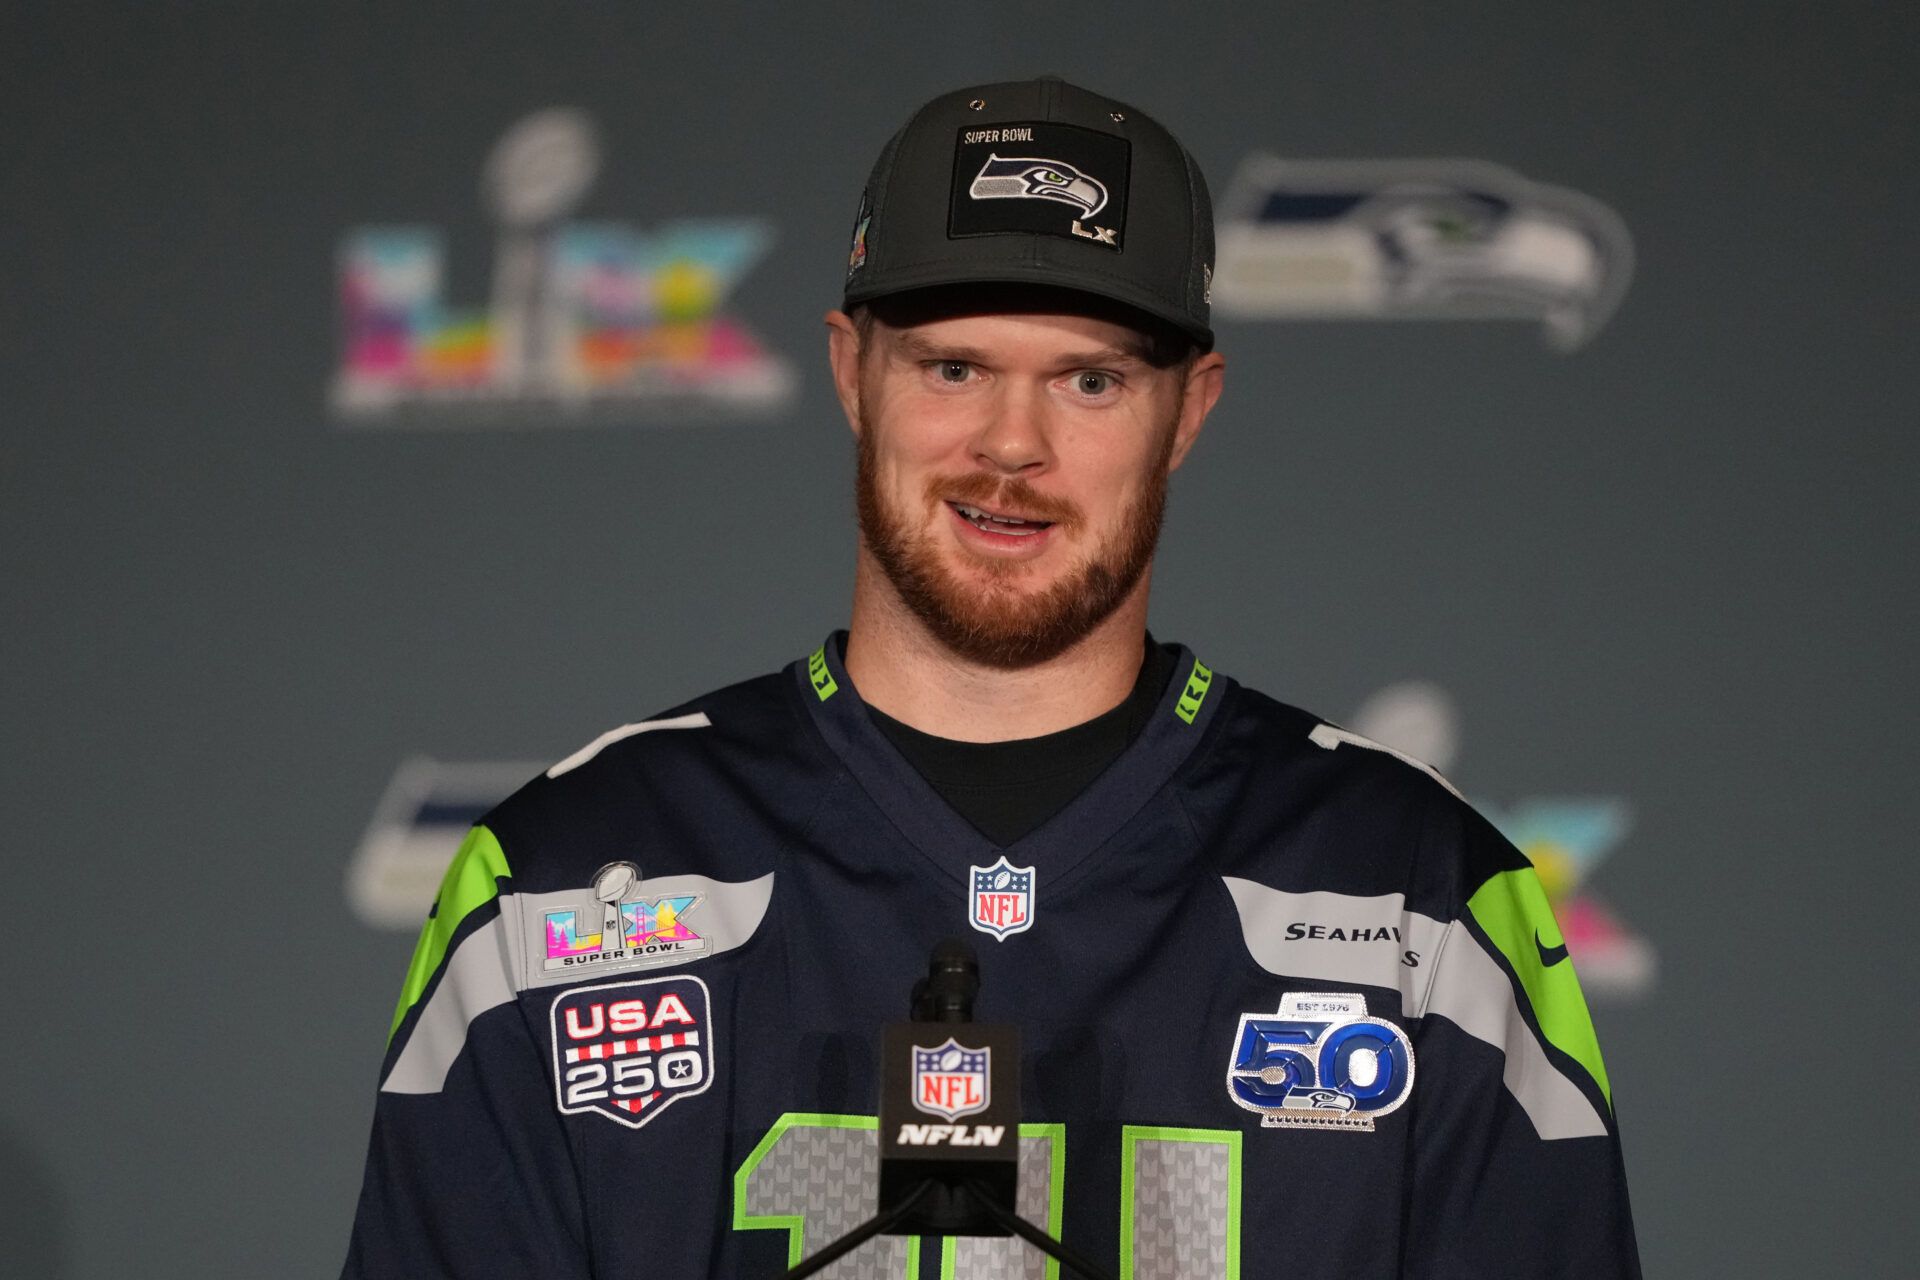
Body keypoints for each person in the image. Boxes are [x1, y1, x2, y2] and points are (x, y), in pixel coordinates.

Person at [343, 77, 1641, 1279]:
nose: (1010, 446)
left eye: (1090, 379)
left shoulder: (1425, 906)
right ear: (855, 374)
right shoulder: (557, 886)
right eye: (953, 367)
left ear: (1191, 409)